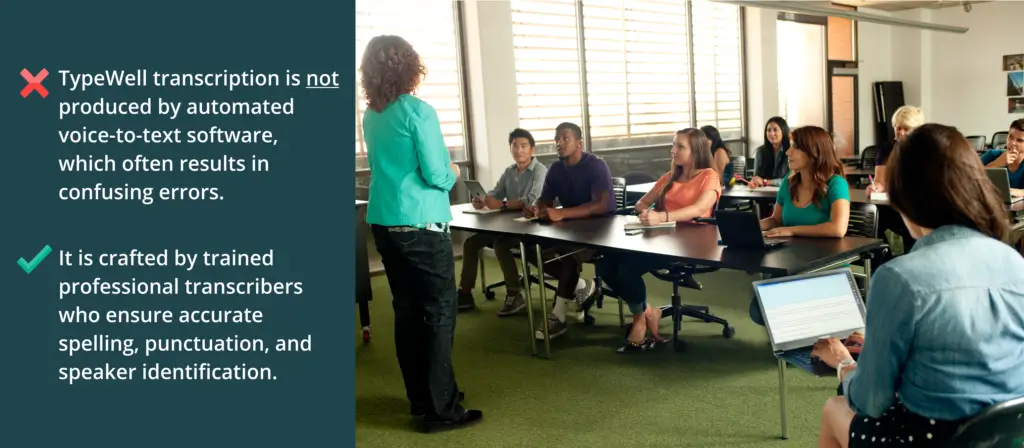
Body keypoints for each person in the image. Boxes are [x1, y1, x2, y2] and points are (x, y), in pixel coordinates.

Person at [814, 123, 1024, 448]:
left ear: (904, 197)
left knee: (834, 408)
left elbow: (871, 401)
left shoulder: (899, 278)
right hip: (1007, 433)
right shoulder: (1014, 262)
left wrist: (844, 362)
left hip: (932, 437)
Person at [359, 35, 481, 432]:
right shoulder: (418, 112)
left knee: (407, 311)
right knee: (439, 313)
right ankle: (441, 409)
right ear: (409, 67)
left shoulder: (371, 116)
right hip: (421, 227)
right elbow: (437, 175)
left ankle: (422, 397)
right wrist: (455, 173)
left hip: (383, 224)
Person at [595, 128, 721, 352]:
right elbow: (640, 204)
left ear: (696, 150)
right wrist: (649, 213)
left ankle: (639, 320)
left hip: (691, 245)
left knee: (627, 268)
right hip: (660, 238)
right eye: (673, 145)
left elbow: (699, 208)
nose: (673, 150)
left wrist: (662, 216)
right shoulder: (670, 176)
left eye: (679, 146)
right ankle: (646, 312)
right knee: (604, 263)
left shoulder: (709, 176)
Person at [750, 126, 851, 325]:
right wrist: (751, 226)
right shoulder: (789, 184)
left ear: (813, 152)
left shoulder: (835, 184)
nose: (788, 152)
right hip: (791, 263)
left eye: (795, 147)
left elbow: (838, 228)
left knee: (775, 309)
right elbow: (776, 220)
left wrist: (792, 230)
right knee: (758, 311)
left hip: (825, 265)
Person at [524, 122, 616, 340]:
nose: (559, 143)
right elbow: (546, 198)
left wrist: (563, 213)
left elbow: (601, 205)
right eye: (557, 138)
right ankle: (581, 285)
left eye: (565, 138)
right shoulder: (556, 169)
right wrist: (537, 207)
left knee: (568, 257)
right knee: (530, 248)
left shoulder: (596, 165)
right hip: (569, 227)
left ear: (578, 143)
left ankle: (559, 316)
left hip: (600, 229)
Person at [457, 128, 548, 315]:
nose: (519, 150)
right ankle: (465, 293)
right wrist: (483, 199)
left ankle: (515, 295)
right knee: (471, 243)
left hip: (532, 227)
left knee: (500, 244)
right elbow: (495, 193)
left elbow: (532, 200)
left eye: (523, 146)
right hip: (507, 225)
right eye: (515, 146)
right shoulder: (510, 171)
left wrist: (502, 204)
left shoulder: (540, 171)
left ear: (532, 149)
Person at [866, 105, 924, 195]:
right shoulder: (887, 149)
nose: (901, 132)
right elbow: (880, 182)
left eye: (906, 129)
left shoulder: (926, 149)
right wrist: (875, 188)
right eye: (898, 128)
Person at [979, 118, 1024, 197]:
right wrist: (997, 163)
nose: (1012, 143)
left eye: (1019, 140)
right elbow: (969, 178)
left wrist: (1017, 192)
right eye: (1011, 137)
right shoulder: (992, 155)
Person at [750, 117, 792, 188]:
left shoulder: (791, 151)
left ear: (783, 131)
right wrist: (754, 182)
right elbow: (757, 177)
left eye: (775, 130)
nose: (771, 133)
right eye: (768, 130)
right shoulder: (761, 151)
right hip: (764, 194)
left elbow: (791, 180)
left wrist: (765, 182)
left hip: (785, 193)